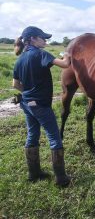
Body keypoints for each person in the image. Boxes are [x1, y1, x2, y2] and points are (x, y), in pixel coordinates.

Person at [13, 26, 71, 187]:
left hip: (26, 103)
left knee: (32, 134)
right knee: (54, 137)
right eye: (42, 37)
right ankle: (61, 178)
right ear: (32, 39)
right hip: (41, 105)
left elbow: (15, 84)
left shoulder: (20, 59)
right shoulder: (41, 54)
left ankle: (34, 173)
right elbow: (66, 64)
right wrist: (66, 53)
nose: (45, 40)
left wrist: (29, 93)